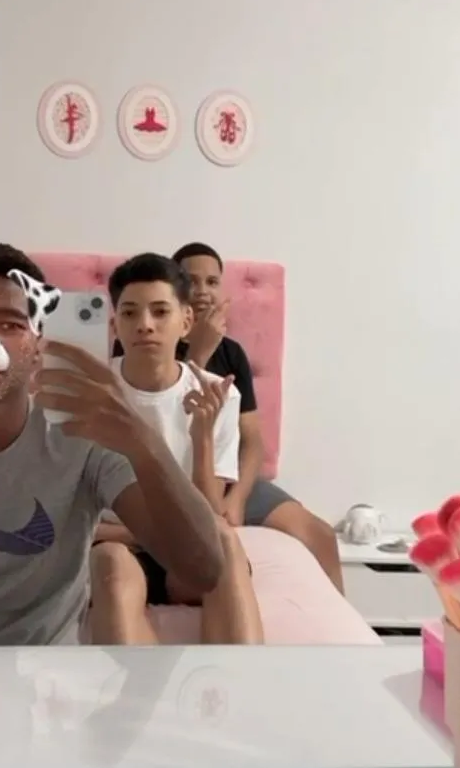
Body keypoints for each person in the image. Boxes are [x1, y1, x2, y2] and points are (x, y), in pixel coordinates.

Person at [0, 240, 224, 645]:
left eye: (11, 325)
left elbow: (203, 571)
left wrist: (143, 441)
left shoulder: (86, 443)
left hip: (45, 680)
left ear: (37, 345)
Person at [91, 253, 263, 645]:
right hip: (120, 544)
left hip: (188, 547)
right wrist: (142, 535)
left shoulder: (217, 393)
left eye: (160, 311)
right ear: (115, 324)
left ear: (186, 321)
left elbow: (209, 517)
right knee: (109, 562)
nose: (145, 325)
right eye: (130, 313)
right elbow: (73, 518)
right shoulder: (91, 392)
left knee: (224, 542)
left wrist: (202, 436)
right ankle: (142, 686)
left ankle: (244, 676)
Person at [174, 242, 344, 592]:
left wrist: (236, 498)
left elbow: (252, 440)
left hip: (233, 479)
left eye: (212, 281)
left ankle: (345, 627)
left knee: (321, 535)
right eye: (192, 281)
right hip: (182, 479)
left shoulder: (232, 352)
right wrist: (198, 354)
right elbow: (169, 425)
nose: (203, 291)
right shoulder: (154, 344)